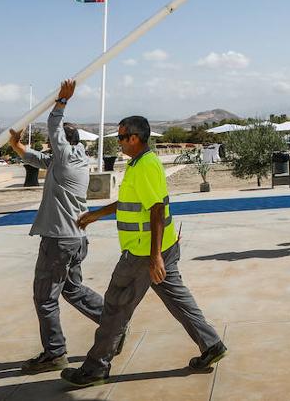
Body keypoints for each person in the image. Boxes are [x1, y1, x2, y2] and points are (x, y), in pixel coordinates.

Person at [65, 115, 226, 387]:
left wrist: (154, 257)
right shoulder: (138, 164)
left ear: (135, 138)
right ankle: (211, 345)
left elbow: (156, 210)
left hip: (143, 254)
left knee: (115, 307)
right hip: (161, 248)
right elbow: (130, 202)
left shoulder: (146, 166)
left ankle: (95, 368)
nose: (118, 142)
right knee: (177, 300)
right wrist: (96, 215)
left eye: (121, 137)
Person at [7, 79, 106, 375]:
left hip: (59, 241)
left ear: (63, 142)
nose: (50, 144)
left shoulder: (62, 158)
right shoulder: (71, 160)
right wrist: (15, 142)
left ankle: (55, 353)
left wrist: (62, 101)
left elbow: (53, 128)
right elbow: (33, 156)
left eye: (56, 141)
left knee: (45, 298)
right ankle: (114, 323)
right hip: (75, 240)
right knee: (73, 289)